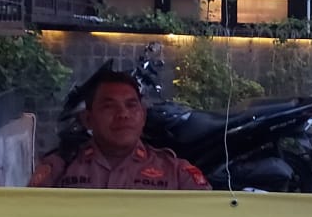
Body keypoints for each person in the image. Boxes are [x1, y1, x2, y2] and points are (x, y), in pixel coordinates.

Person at [29, 70, 210, 190]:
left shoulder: (177, 173)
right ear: (88, 119)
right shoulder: (60, 169)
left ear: (143, 116)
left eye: (131, 105)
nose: (123, 114)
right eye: (109, 106)